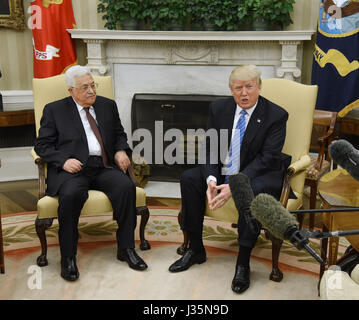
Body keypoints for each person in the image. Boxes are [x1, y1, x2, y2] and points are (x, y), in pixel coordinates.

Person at [168, 65, 290, 294]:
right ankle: (195, 249)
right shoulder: (219, 108)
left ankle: (243, 262)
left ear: (259, 87)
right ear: (231, 90)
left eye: (249, 87)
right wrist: (212, 180)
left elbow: (268, 158)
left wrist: (234, 184)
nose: (243, 93)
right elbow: (210, 147)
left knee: (248, 190)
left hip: (259, 174)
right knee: (189, 178)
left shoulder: (276, 115)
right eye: (237, 88)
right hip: (225, 168)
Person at [34, 65, 148, 281]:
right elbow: (43, 145)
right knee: (70, 196)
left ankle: (126, 249)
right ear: (71, 91)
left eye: (93, 85)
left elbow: (119, 134)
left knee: (126, 187)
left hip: (103, 166)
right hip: (74, 171)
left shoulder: (107, 106)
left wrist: (121, 150)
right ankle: (68, 257)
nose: (92, 91)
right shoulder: (54, 110)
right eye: (85, 87)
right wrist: (64, 161)